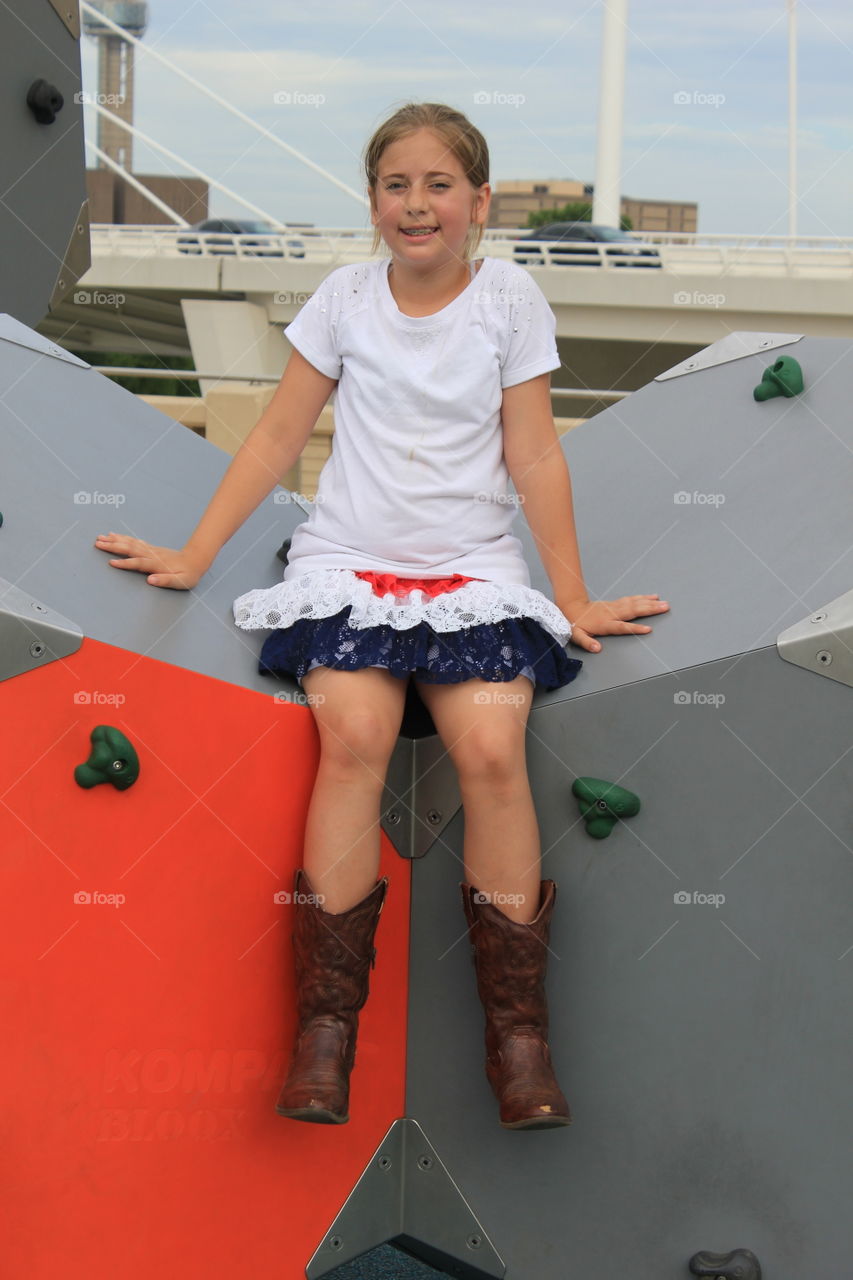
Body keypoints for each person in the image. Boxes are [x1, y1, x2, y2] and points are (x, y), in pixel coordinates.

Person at [94, 101, 669, 1132]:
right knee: (353, 735)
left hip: (469, 574)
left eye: (438, 185)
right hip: (350, 569)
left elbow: (534, 453)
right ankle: (325, 1032)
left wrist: (571, 594)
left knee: (490, 746)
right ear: (372, 203)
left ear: (478, 203)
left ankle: (518, 1037)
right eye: (396, 185)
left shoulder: (508, 300)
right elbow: (278, 436)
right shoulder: (344, 299)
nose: (416, 204)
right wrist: (194, 554)